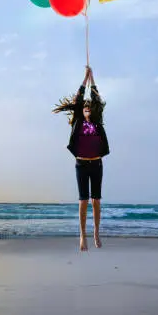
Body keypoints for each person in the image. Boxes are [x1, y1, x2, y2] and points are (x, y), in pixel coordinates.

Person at [52, 66, 110, 252]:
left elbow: (96, 98)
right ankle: (82, 236)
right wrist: (84, 79)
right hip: (81, 163)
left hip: (97, 163)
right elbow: (79, 98)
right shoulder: (78, 121)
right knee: (83, 200)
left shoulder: (97, 121)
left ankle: (96, 233)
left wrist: (93, 78)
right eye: (84, 109)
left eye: (89, 108)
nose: (87, 110)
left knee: (96, 200)